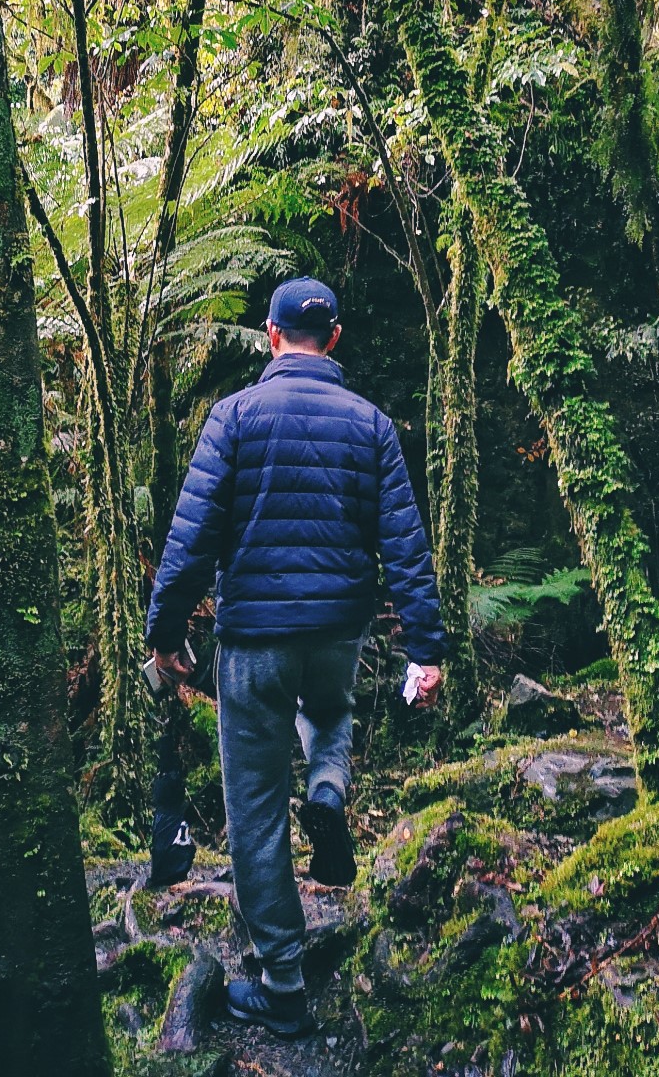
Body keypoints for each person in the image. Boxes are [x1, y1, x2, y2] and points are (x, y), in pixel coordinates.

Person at [146, 275, 446, 1039]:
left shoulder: (234, 417)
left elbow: (190, 541)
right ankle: (329, 789)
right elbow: (406, 547)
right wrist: (425, 649)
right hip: (338, 636)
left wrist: (166, 635)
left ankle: (282, 982)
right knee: (332, 712)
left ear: (272, 337)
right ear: (334, 339)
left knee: (252, 812)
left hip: (253, 645)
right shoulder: (373, 426)